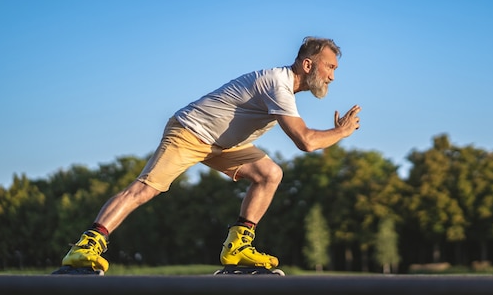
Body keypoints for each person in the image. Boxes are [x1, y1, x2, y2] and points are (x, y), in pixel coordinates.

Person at [59, 36, 362, 273]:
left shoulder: (286, 89)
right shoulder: (279, 85)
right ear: (308, 65)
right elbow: (306, 142)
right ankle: (86, 246)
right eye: (330, 67)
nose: (332, 77)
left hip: (225, 145)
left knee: (270, 173)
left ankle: (238, 247)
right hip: (191, 132)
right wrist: (342, 132)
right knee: (144, 190)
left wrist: (335, 134)